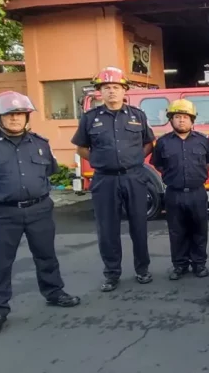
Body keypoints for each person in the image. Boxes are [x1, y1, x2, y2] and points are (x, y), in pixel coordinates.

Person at [0, 91, 80, 336]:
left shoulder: (40, 143)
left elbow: (47, 174)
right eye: (9, 114)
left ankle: (54, 292)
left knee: (46, 256)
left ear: (26, 116)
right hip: (3, 214)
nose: (15, 118)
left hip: (39, 209)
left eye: (19, 113)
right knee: (0, 263)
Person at [71, 67, 156, 292]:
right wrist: (99, 160)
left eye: (116, 87)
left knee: (139, 225)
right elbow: (81, 148)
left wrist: (136, 158)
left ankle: (142, 269)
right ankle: (112, 273)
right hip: (105, 180)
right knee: (107, 229)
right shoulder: (90, 118)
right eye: (106, 88)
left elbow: (149, 142)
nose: (111, 92)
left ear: (124, 90)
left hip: (134, 177)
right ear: (100, 92)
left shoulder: (137, 115)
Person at [151, 99, 209, 280]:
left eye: (185, 117)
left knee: (199, 230)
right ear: (171, 120)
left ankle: (199, 264)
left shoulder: (203, 140)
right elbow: (158, 164)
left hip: (197, 193)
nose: (181, 120)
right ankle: (180, 265)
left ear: (192, 120)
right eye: (177, 117)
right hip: (174, 193)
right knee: (176, 231)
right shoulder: (163, 143)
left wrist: (199, 173)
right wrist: (173, 177)